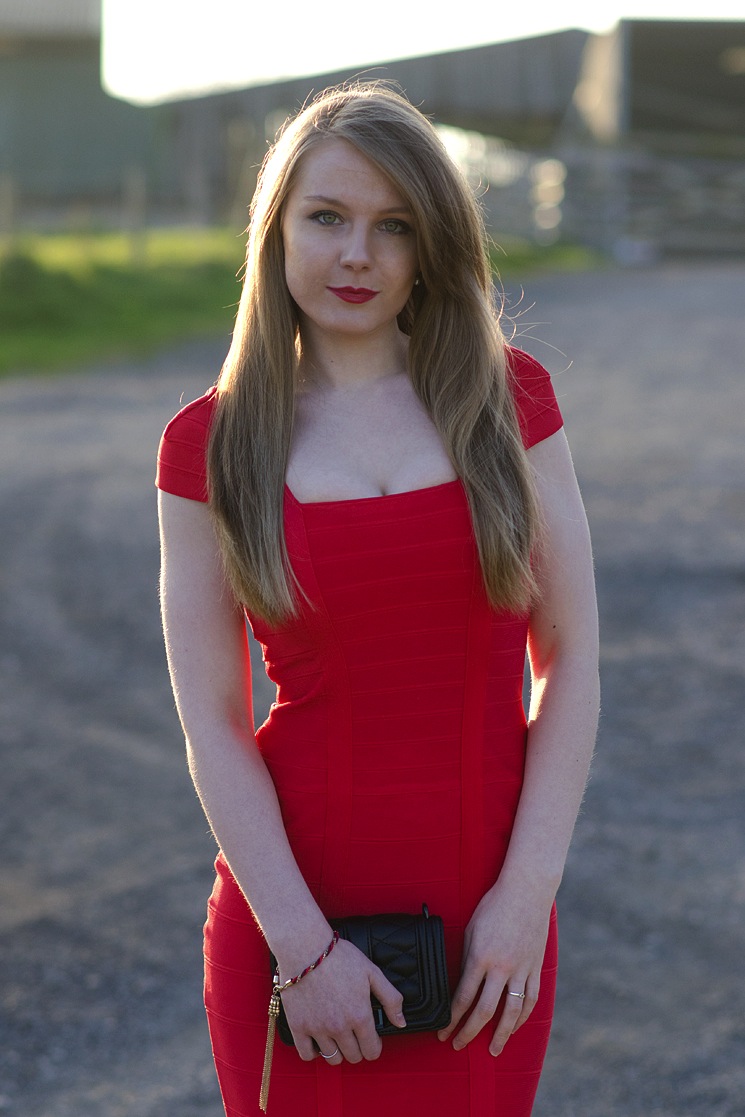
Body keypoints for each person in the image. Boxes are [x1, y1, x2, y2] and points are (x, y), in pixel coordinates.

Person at [156, 81, 599, 1117]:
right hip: (294, 937)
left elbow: (570, 657)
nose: (357, 255)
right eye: (327, 218)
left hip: (492, 933)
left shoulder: (511, 400)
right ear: (277, 230)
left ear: (431, 247)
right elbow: (212, 723)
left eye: (393, 226)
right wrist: (304, 953)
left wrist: (526, 895)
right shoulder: (206, 446)